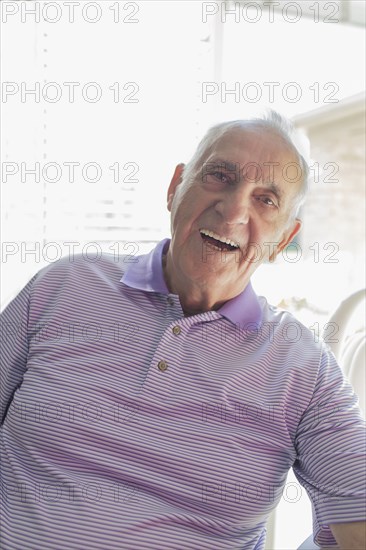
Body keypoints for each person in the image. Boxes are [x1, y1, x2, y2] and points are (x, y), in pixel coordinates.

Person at [1, 112, 365, 550]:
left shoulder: (304, 371)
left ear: (284, 239)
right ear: (175, 187)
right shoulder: (64, 286)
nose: (233, 210)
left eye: (266, 200)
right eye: (220, 175)